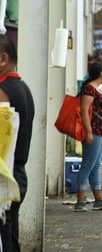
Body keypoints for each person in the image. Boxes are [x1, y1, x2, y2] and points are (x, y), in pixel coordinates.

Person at [0, 35, 35, 252]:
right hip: (17, 174)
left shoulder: (3, 91)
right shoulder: (23, 88)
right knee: (10, 239)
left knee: (5, 241)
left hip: (4, 177)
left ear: (3, 59)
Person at [75, 62, 102, 212]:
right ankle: (80, 201)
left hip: (99, 130)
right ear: (101, 73)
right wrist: (89, 132)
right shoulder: (90, 89)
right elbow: (84, 110)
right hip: (93, 130)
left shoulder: (96, 89)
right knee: (87, 165)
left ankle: (98, 199)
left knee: (95, 166)